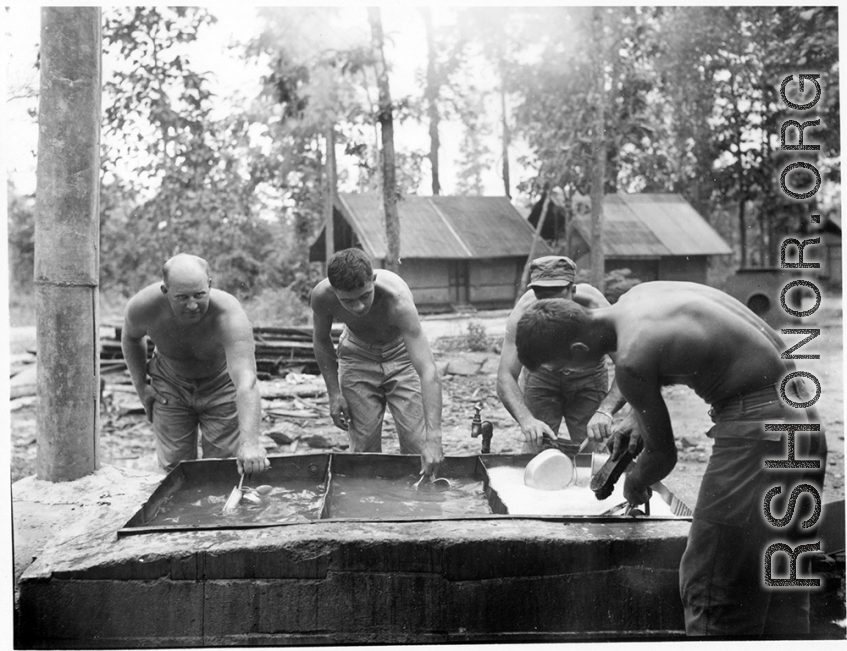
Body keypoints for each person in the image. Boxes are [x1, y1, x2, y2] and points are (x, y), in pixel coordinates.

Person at [515, 281, 827, 636]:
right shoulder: (640, 297)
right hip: (801, 416)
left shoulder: (631, 361)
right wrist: (636, 414)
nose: (565, 376)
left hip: (757, 435)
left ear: (579, 348)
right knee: (783, 576)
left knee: (711, 590)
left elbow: (663, 457)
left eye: (561, 369)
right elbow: (690, 346)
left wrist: (635, 483)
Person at [121, 253, 270, 476]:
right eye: (182, 297)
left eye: (200, 295)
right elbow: (131, 338)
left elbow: (246, 380)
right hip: (170, 384)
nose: (192, 306)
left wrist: (250, 443)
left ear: (209, 285)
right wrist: (141, 386)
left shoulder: (228, 313)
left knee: (224, 469)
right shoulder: (144, 306)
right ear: (165, 291)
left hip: (221, 386)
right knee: (175, 470)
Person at [310, 248, 444, 479]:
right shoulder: (322, 296)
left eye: (364, 296)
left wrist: (434, 437)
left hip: (401, 354)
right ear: (334, 291)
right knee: (363, 448)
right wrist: (334, 393)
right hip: (356, 354)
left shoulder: (397, 300)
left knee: (417, 443)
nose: (359, 307)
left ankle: (420, 504)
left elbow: (428, 370)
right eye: (348, 301)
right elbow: (321, 339)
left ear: (373, 280)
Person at [497, 255, 624, 453]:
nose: (549, 304)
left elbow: (628, 366)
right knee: (536, 447)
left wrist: (605, 411)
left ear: (573, 290)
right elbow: (505, 374)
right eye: (542, 295)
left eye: (557, 295)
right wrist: (526, 419)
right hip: (541, 377)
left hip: (588, 379)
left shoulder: (597, 309)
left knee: (594, 449)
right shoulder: (523, 311)